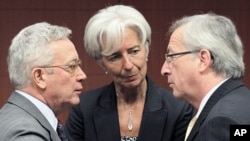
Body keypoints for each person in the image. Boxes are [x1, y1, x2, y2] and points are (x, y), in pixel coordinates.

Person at [65, 5, 194, 141]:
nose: (128, 65)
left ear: (146, 49)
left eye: (134, 51)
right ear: (101, 63)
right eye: (115, 57)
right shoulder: (84, 109)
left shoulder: (179, 110)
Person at [161, 13, 250, 141]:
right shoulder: (242, 103)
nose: (164, 70)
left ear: (203, 60)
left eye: (171, 57)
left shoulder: (222, 123)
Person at [0, 22, 87, 140]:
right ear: (39, 77)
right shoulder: (25, 133)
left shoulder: (15, 117)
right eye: (71, 66)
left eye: (79, 65)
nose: (82, 75)